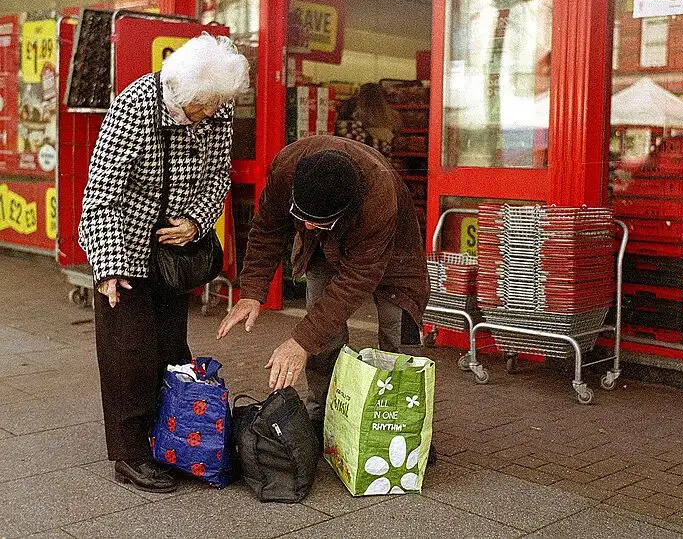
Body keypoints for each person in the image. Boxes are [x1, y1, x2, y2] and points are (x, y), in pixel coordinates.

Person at [79, 33, 249, 494]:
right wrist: (109, 267)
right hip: (125, 244)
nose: (211, 114)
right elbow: (101, 195)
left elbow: (218, 175)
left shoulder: (216, 105)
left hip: (174, 254)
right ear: (183, 90)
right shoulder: (134, 107)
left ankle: (169, 439)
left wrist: (196, 222)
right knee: (128, 354)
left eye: (217, 106)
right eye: (204, 107)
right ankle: (130, 454)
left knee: (171, 350)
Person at [216, 135, 428, 443]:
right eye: (302, 217)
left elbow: (356, 280)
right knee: (322, 338)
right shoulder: (287, 168)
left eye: (320, 222)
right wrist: (251, 292)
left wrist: (300, 341)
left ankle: (406, 430)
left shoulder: (377, 198)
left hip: (394, 256)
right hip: (320, 252)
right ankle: (325, 414)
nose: (308, 227)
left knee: (400, 338)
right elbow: (267, 230)